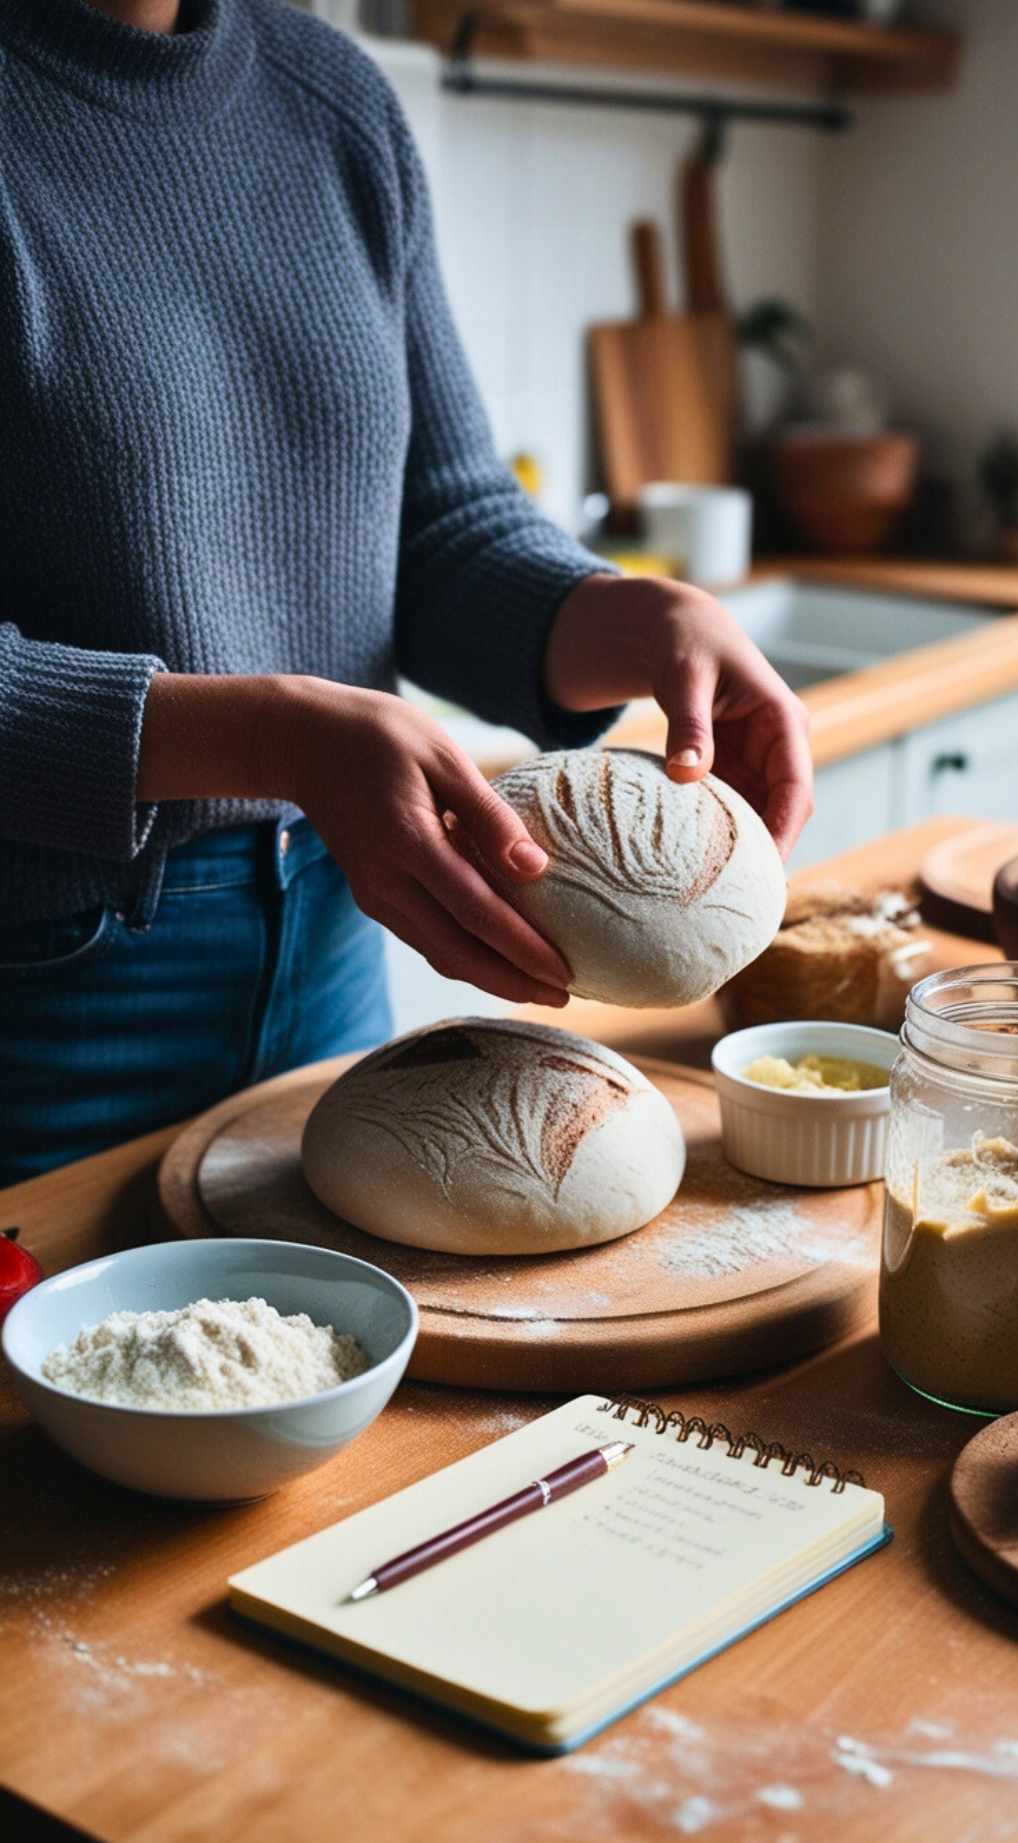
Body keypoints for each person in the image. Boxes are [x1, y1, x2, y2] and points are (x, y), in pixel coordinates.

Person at [0, 0, 812, 1184]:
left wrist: (628, 616)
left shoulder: (330, 99)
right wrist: (273, 737)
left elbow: (440, 525)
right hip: (45, 987)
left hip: (334, 934)